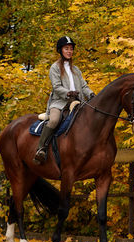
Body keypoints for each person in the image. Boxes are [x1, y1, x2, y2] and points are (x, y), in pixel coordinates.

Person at [33, 36, 95, 164]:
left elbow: (83, 86)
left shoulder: (76, 69)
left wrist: (91, 94)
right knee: (54, 120)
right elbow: (56, 87)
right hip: (60, 102)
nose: (69, 51)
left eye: (71, 49)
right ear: (60, 50)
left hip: (77, 101)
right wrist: (68, 93)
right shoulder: (54, 68)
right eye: (66, 49)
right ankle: (41, 149)